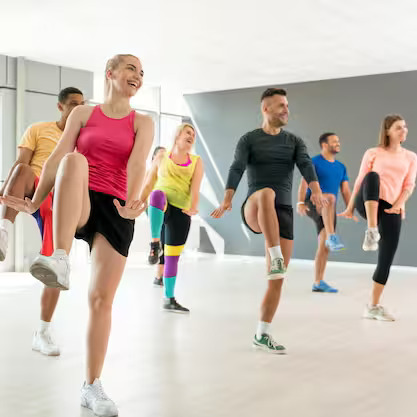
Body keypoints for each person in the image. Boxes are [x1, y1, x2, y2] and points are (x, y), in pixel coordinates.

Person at [2, 54, 153, 416]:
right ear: (110, 73)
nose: (137, 75)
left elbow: (138, 163)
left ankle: (91, 386)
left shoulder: (142, 122)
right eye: (130, 68)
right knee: (73, 159)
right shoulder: (83, 114)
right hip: (80, 197)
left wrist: (132, 202)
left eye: (141, 72)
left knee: (101, 300)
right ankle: (60, 257)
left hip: (116, 207)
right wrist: (35, 201)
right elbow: (56, 157)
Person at [211, 88, 326, 353]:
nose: (286, 109)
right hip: (255, 207)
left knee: (277, 279)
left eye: (287, 105)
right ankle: (274, 255)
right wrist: (227, 199)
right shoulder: (249, 139)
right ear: (266, 109)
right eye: (280, 105)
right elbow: (237, 167)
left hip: (282, 212)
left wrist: (316, 191)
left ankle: (262, 334)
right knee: (267, 193)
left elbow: (306, 165)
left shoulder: (294, 141)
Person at [0, 87, 84, 356]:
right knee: (23, 169)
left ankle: (43, 332)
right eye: (74, 104)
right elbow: (19, 164)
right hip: (33, 187)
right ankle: (3, 232)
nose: (79, 108)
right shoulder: (37, 130)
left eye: (83, 104)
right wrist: (5, 191)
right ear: (60, 107)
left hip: (59, 200)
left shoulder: (82, 140)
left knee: (54, 264)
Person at [339, 114, 417, 321]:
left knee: (386, 259)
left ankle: (373, 306)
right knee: (372, 176)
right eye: (398, 127)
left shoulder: (411, 157)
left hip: (391, 207)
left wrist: (398, 206)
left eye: (405, 127)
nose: (403, 130)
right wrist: (349, 207)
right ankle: (372, 230)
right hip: (367, 202)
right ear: (388, 131)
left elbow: (409, 185)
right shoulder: (373, 152)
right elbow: (360, 181)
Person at [140, 123, 203, 312]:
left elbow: (195, 188)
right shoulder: (161, 156)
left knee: (172, 257)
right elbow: (148, 183)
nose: (191, 136)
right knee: (156, 195)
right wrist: (139, 202)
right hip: (162, 205)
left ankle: (169, 298)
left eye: (193, 135)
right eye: (188, 132)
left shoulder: (196, 161)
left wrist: (193, 207)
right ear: (177, 135)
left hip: (181, 211)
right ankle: (154, 244)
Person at [297, 132, 353, 293]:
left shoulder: (341, 167)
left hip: (329, 209)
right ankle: (332, 236)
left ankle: (318, 282)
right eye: (334, 141)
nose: (338, 144)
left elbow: (345, 191)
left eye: (338, 141)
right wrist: (300, 202)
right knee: (329, 197)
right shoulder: (313, 162)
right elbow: (304, 184)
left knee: (324, 246)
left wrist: (350, 209)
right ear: (324, 145)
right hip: (313, 202)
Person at [147, 146, 166, 286]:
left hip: (168, 211)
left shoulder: (168, 174)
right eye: (159, 155)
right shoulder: (149, 173)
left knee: (166, 243)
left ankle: (160, 276)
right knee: (161, 241)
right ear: (153, 158)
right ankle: (159, 276)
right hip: (155, 212)